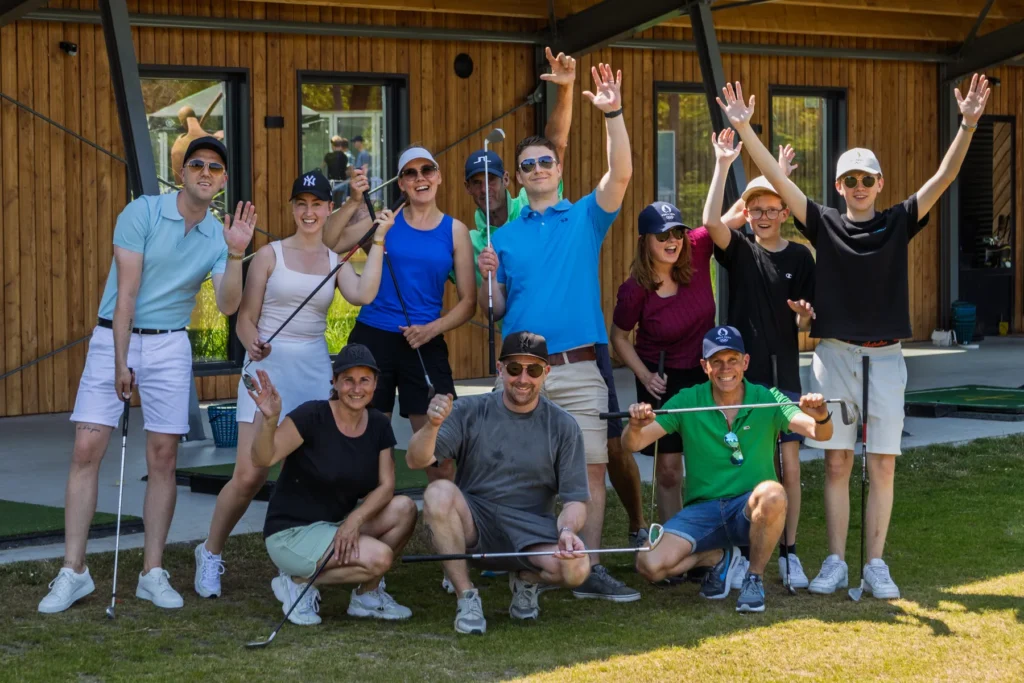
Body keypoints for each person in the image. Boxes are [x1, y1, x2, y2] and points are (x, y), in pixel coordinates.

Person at [717, 74, 991, 599]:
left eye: (867, 179)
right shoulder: (821, 222)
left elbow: (943, 177)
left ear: (879, 184)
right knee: (838, 461)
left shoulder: (898, 221)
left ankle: (876, 564)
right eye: (850, 181)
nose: (859, 187)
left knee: (882, 462)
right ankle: (838, 561)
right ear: (839, 187)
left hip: (886, 358)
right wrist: (745, 130)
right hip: (835, 358)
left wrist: (969, 124)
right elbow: (777, 176)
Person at [39, 136, 256, 613]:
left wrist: (237, 252)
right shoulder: (141, 212)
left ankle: (151, 572)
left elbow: (226, 304)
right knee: (86, 448)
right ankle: (73, 572)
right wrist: (121, 361)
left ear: (222, 181)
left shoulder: (222, 236)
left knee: (162, 458)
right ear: (182, 172)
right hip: (114, 336)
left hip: (170, 344)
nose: (205, 172)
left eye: (215, 168)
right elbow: (128, 291)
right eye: (196, 164)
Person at [463, 46, 649, 549]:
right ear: (518, 179)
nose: (540, 168)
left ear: (557, 170)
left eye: (547, 161)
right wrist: (490, 281)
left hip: (582, 366)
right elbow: (496, 311)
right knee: (530, 479)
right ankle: (533, 559)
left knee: (589, 476)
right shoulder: (500, 238)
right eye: (530, 164)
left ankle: (582, 567)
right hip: (526, 370)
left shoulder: (586, 216)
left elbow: (622, 174)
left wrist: (613, 113)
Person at [194, 169, 399, 598]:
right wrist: (254, 344)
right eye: (301, 204)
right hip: (267, 366)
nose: (309, 212)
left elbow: (363, 294)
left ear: (328, 209)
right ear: (292, 208)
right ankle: (210, 552)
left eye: (317, 204)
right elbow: (245, 318)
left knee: (304, 468)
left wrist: (377, 241)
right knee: (251, 473)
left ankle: (305, 560)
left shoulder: (332, 260)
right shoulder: (270, 255)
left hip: (313, 368)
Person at [624, 326, 834, 613]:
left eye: (733, 360)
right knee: (648, 565)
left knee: (773, 493)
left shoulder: (768, 397)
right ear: (704, 366)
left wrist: (821, 415)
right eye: (717, 361)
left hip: (749, 508)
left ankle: (753, 578)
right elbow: (634, 443)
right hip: (704, 511)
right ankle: (717, 558)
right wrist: (635, 425)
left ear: (745, 362)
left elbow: (819, 433)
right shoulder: (689, 399)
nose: (726, 369)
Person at [406, 331, 591, 634]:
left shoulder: (564, 426)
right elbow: (415, 460)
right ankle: (466, 595)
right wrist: (433, 425)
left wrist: (568, 531)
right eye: (514, 369)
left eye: (533, 370)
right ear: (500, 369)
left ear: (546, 373)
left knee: (577, 569)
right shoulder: (470, 410)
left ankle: (527, 581)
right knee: (438, 491)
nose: (523, 379)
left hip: (532, 531)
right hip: (476, 522)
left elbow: (574, 500)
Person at [702, 129, 816, 589]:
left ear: (785, 212)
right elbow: (711, 223)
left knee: (789, 463)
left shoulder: (802, 258)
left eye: (773, 209)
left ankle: (788, 554)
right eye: (757, 210)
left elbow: (807, 326)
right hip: (741, 379)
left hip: (784, 373)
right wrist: (723, 165)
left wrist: (806, 319)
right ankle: (737, 549)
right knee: (741, 462)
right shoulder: (740, 250)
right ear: (746, 214)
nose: (765, 216)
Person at [246, 344, 418, 626]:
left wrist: (354, 520)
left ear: (376, 383)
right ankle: (297, 581)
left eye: (365, 380)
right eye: (348, 379)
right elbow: (262, 457)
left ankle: (367, 595)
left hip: (335, 526)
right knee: (380, 558)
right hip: (291, 533)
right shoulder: (312, 415)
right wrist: (270, 420)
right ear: (334, 382)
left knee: (405, 509)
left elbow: (387, 486)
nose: (356, 388)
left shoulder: (377, 424)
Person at [347, 146, 476, 483]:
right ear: (401, 183)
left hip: (425, 339)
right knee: (367, 446)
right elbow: (330, 242)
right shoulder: (383, 222)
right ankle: (372, 523)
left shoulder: (455, 231)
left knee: (441, 453)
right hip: (373, 336)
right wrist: (352, 201)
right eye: (411, 173)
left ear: (439, 177)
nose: (421, 178)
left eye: (427, 170)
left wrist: (431, 330)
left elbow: (468, 302)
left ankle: (442, 522)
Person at [610, 200, 716, 530]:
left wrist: (726, 163)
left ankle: (703, 542)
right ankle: (674, 541)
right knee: (669, 467)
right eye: (662, 235)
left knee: (703, 460)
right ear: (645, 241)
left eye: (677, 233)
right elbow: (619, 337)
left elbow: (728, 215)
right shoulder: (634, 291)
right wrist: (644, 375)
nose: (672, 241)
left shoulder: (697, 249)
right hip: (661, 378)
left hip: (703, 374)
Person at [323, 136, 350, 203]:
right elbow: (347, 170)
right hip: (342, 182)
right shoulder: (345, 157)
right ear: (340, 146)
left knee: (331, 203)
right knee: (342, 203)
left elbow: (322, 166)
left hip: (332, 182)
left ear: (333, 146)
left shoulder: (328, 156)